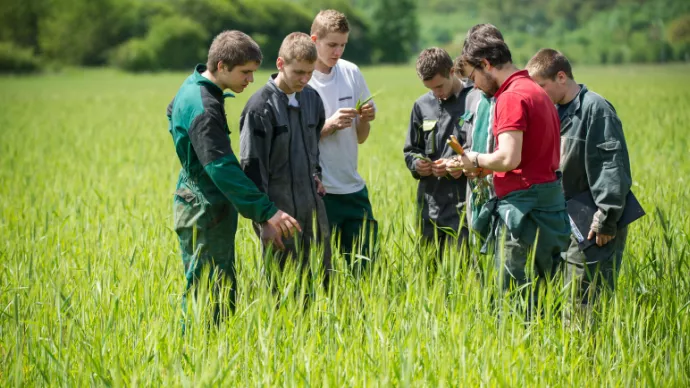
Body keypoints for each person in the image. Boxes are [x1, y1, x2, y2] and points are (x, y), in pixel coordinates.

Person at [167, 30, 301, 323]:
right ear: (221, 66)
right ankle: (199, 357)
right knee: (211, 291)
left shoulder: (192, 88)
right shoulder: (205, 107)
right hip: (204, 208)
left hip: (198, 198)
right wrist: (266, 212)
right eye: (245, 72)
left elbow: (170, 113)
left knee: (210, 286)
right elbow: (221, 168)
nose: (251, 80)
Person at [450, 26, 571, 315]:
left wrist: (475, 159)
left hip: (523, 214)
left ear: (487, 65)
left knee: (515, 302)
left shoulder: (511, 97)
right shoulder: (536, 91)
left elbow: (508, 158)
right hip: (550, 209)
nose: (476, 86)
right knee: (548, 295)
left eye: (474, 77)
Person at [526, 48, 632, 308]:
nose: (539, 93)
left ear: (561, 77)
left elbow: (611, 167)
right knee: (563, 297)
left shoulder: (596, 109)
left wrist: (606, 219)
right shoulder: (555, 111)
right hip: (564, 220)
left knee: (585, 302)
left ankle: (590, 350)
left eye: (542, 85)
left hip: (594, 223)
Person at [239, 32, 331, 286]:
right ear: (281, 64)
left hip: (313, 214)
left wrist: (317, 175)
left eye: (310, 73)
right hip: (279, 218)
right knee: (282, 293)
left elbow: (313, 147)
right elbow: (251, 169)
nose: (305, 79)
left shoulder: (312, 99)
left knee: (322, 288)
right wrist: (264, 220)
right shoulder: (259, 108)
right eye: (298, 72)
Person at [307, 9, 378, 270]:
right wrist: (327, 126)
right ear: (313, 40)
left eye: (343, 45)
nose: (338, 52)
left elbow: (360, 138)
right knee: (321, 271)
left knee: (367, 268)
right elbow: (293, 140)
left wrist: (366, 120)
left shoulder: (351, 72)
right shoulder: (302, 80)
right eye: (332, 45)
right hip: (319, 191)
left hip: (352, 187)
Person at [403, 47, 479, 260]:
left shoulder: (475, 99)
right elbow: (411, 151)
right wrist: (418, 165)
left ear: (452, 70)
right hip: (430, 204)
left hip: (464, 202)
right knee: (430, 273)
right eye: (431, 89)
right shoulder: (421, 105)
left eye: (439, 86)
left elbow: (485, 147)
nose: (437, 93)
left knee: (464, 271)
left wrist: (459, 164)